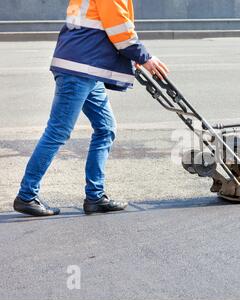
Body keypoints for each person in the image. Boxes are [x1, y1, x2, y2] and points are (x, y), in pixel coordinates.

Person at [13, 0, 168, 216]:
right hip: (79, 70)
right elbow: (120, 30)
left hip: (86, 68)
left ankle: (95, 196)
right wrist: (145, 57)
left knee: (106, 129)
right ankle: (26, 195)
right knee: (58, 131)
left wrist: (133, 57)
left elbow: (103, 27)